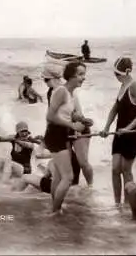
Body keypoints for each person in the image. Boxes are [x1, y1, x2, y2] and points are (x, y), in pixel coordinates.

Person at [100, 57, 136, 208]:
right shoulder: (122, 86)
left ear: (126, 72)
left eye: (118, 74)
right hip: (119, 134)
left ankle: (129, 205)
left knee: (126, 171)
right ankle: (117, 205)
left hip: (132, 135)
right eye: (115, 74)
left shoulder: (134, 86)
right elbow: (115, 109)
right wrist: (107, 127)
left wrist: (129, 128)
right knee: (115, 169)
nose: (116, 77)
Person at [44, 61, 89, 214]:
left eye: (84, 74)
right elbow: (50, 116)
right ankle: (55, 211)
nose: (83, 78)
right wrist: (72, 126)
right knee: (68, 177)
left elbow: (67, 113)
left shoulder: (69, 93)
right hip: (54, 135)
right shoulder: (61, 91)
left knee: (58, 176)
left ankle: (55, 207)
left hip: (60, 134)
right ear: (71, 76)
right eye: (80, 74)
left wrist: (82, 120)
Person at [42, 66, 85, 186]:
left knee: (70, 163)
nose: (45, 83)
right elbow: (50, 115)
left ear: (54, 79)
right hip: (60, 130)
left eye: (46, 80)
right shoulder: (51, 92)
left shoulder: (65, 91)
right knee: (64, 166)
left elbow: (77, 111)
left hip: (68, 129)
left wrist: (78, 125)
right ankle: (63, 189)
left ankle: (67, 187)